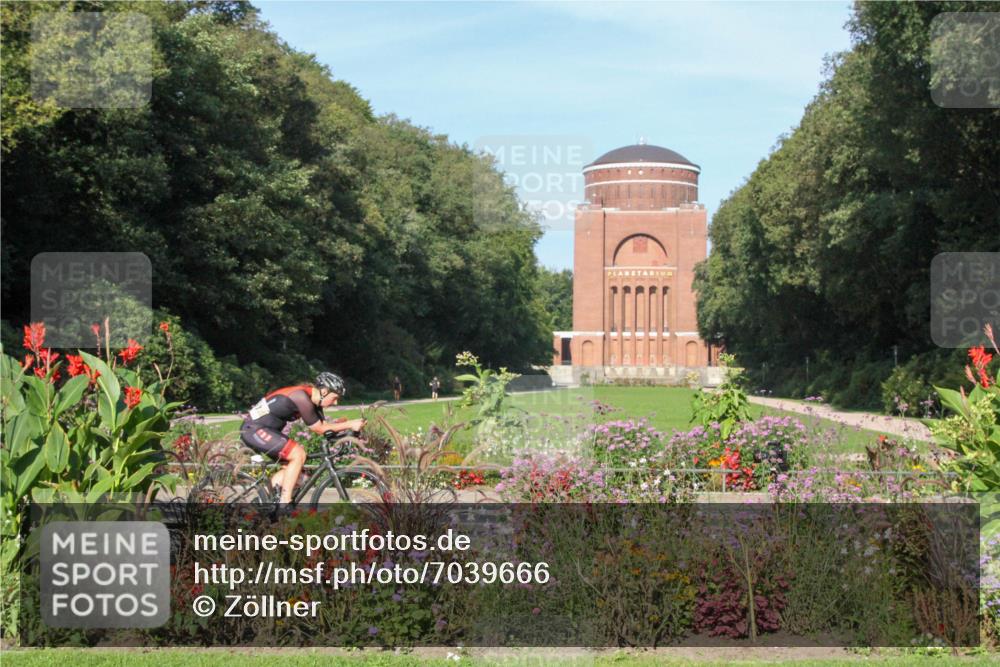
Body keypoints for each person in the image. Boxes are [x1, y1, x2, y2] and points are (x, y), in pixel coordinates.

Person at [240, 372, 364, 504]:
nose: (336, 402)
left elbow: (325, 429)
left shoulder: (314, 402)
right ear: (324, 391)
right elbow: (318, 428)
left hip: (266, 430)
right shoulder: (301, 396)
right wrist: (350, 424)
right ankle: (285, 502)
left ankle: (261, 501)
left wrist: (345, 431)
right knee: (298, 454)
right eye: (334, 398)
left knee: (299, 474)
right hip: (254, 429)